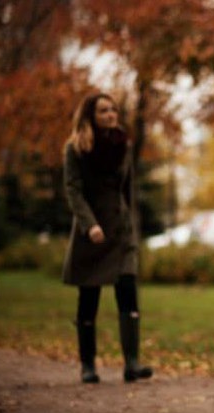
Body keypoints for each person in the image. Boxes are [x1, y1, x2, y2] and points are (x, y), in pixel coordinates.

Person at [61, 92, 153, 384]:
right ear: (91, 115)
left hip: (121, 230)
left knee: (127, 288)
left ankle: (132, 363)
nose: (111, 115)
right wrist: (89, 225)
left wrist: (131, 227)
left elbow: (127, 189)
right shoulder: (76, 149)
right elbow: (73, 190)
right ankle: (88, 365)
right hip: (93, 232)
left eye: (113, 110)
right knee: (89, 295)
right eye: (103, 111)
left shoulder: (123, 145)